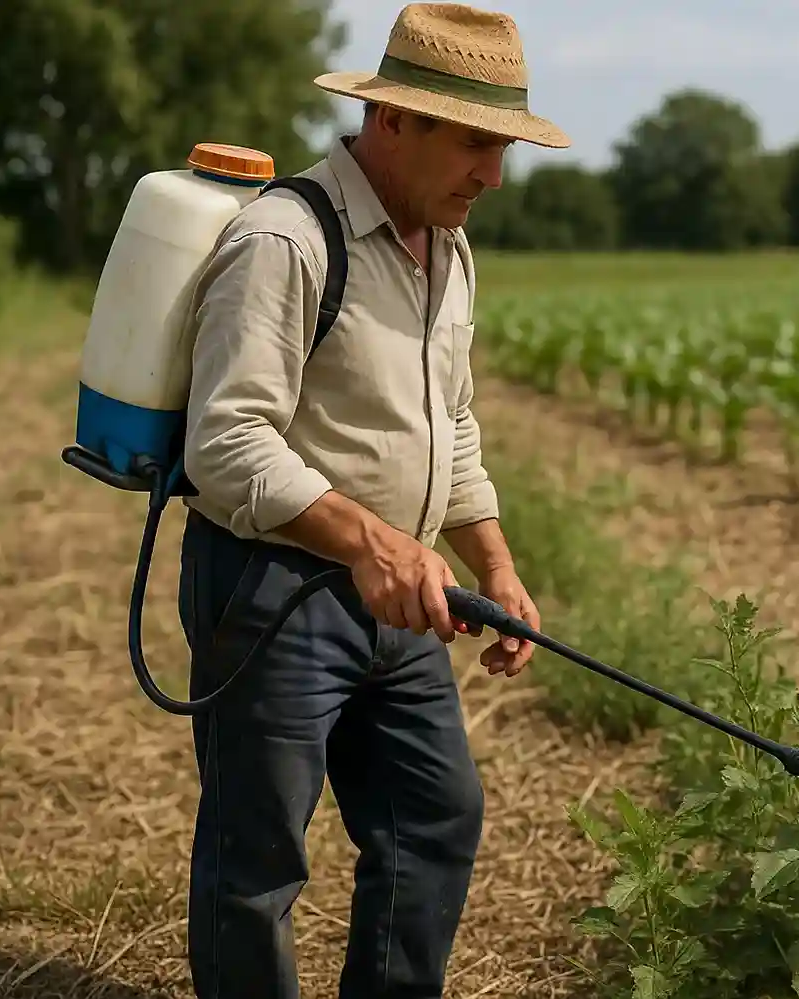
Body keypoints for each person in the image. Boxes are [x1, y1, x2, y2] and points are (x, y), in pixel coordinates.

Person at [173, 4, 571, 997]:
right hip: (274, 594)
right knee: (255, 861)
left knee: (435, 817)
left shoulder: (448, 247)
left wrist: (497, 566)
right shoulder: (285, 240)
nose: (494, 173)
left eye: (504, 147)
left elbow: (453, 419)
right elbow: (224, 444)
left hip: (402, 592)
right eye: (478, 144)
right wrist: (365, 540)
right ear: (394, 121)